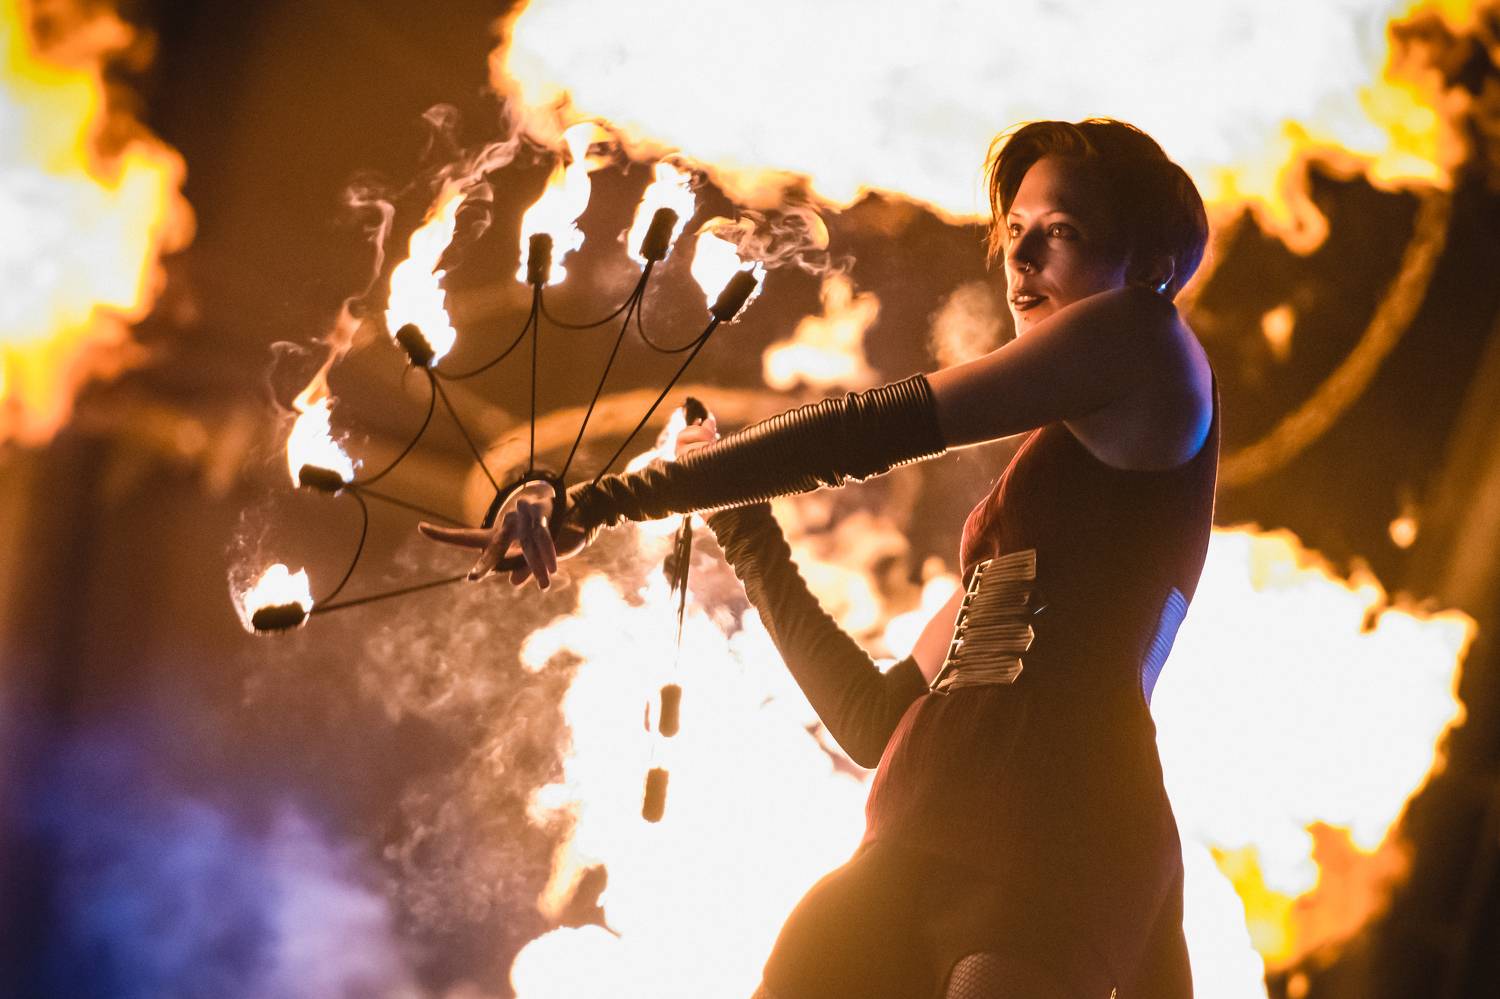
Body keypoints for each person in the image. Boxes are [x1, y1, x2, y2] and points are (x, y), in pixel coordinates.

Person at [423, 118, 1216, 998]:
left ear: (1150, 266)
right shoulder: (1028, 528)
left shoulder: (1150, 339)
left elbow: (876, 428)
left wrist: (600, 501)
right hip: (916, 834)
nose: (1021, 258)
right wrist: (739, 519)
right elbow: (875, 722)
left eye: (1060, 231)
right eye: (1016, 230)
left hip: (1057, 845)